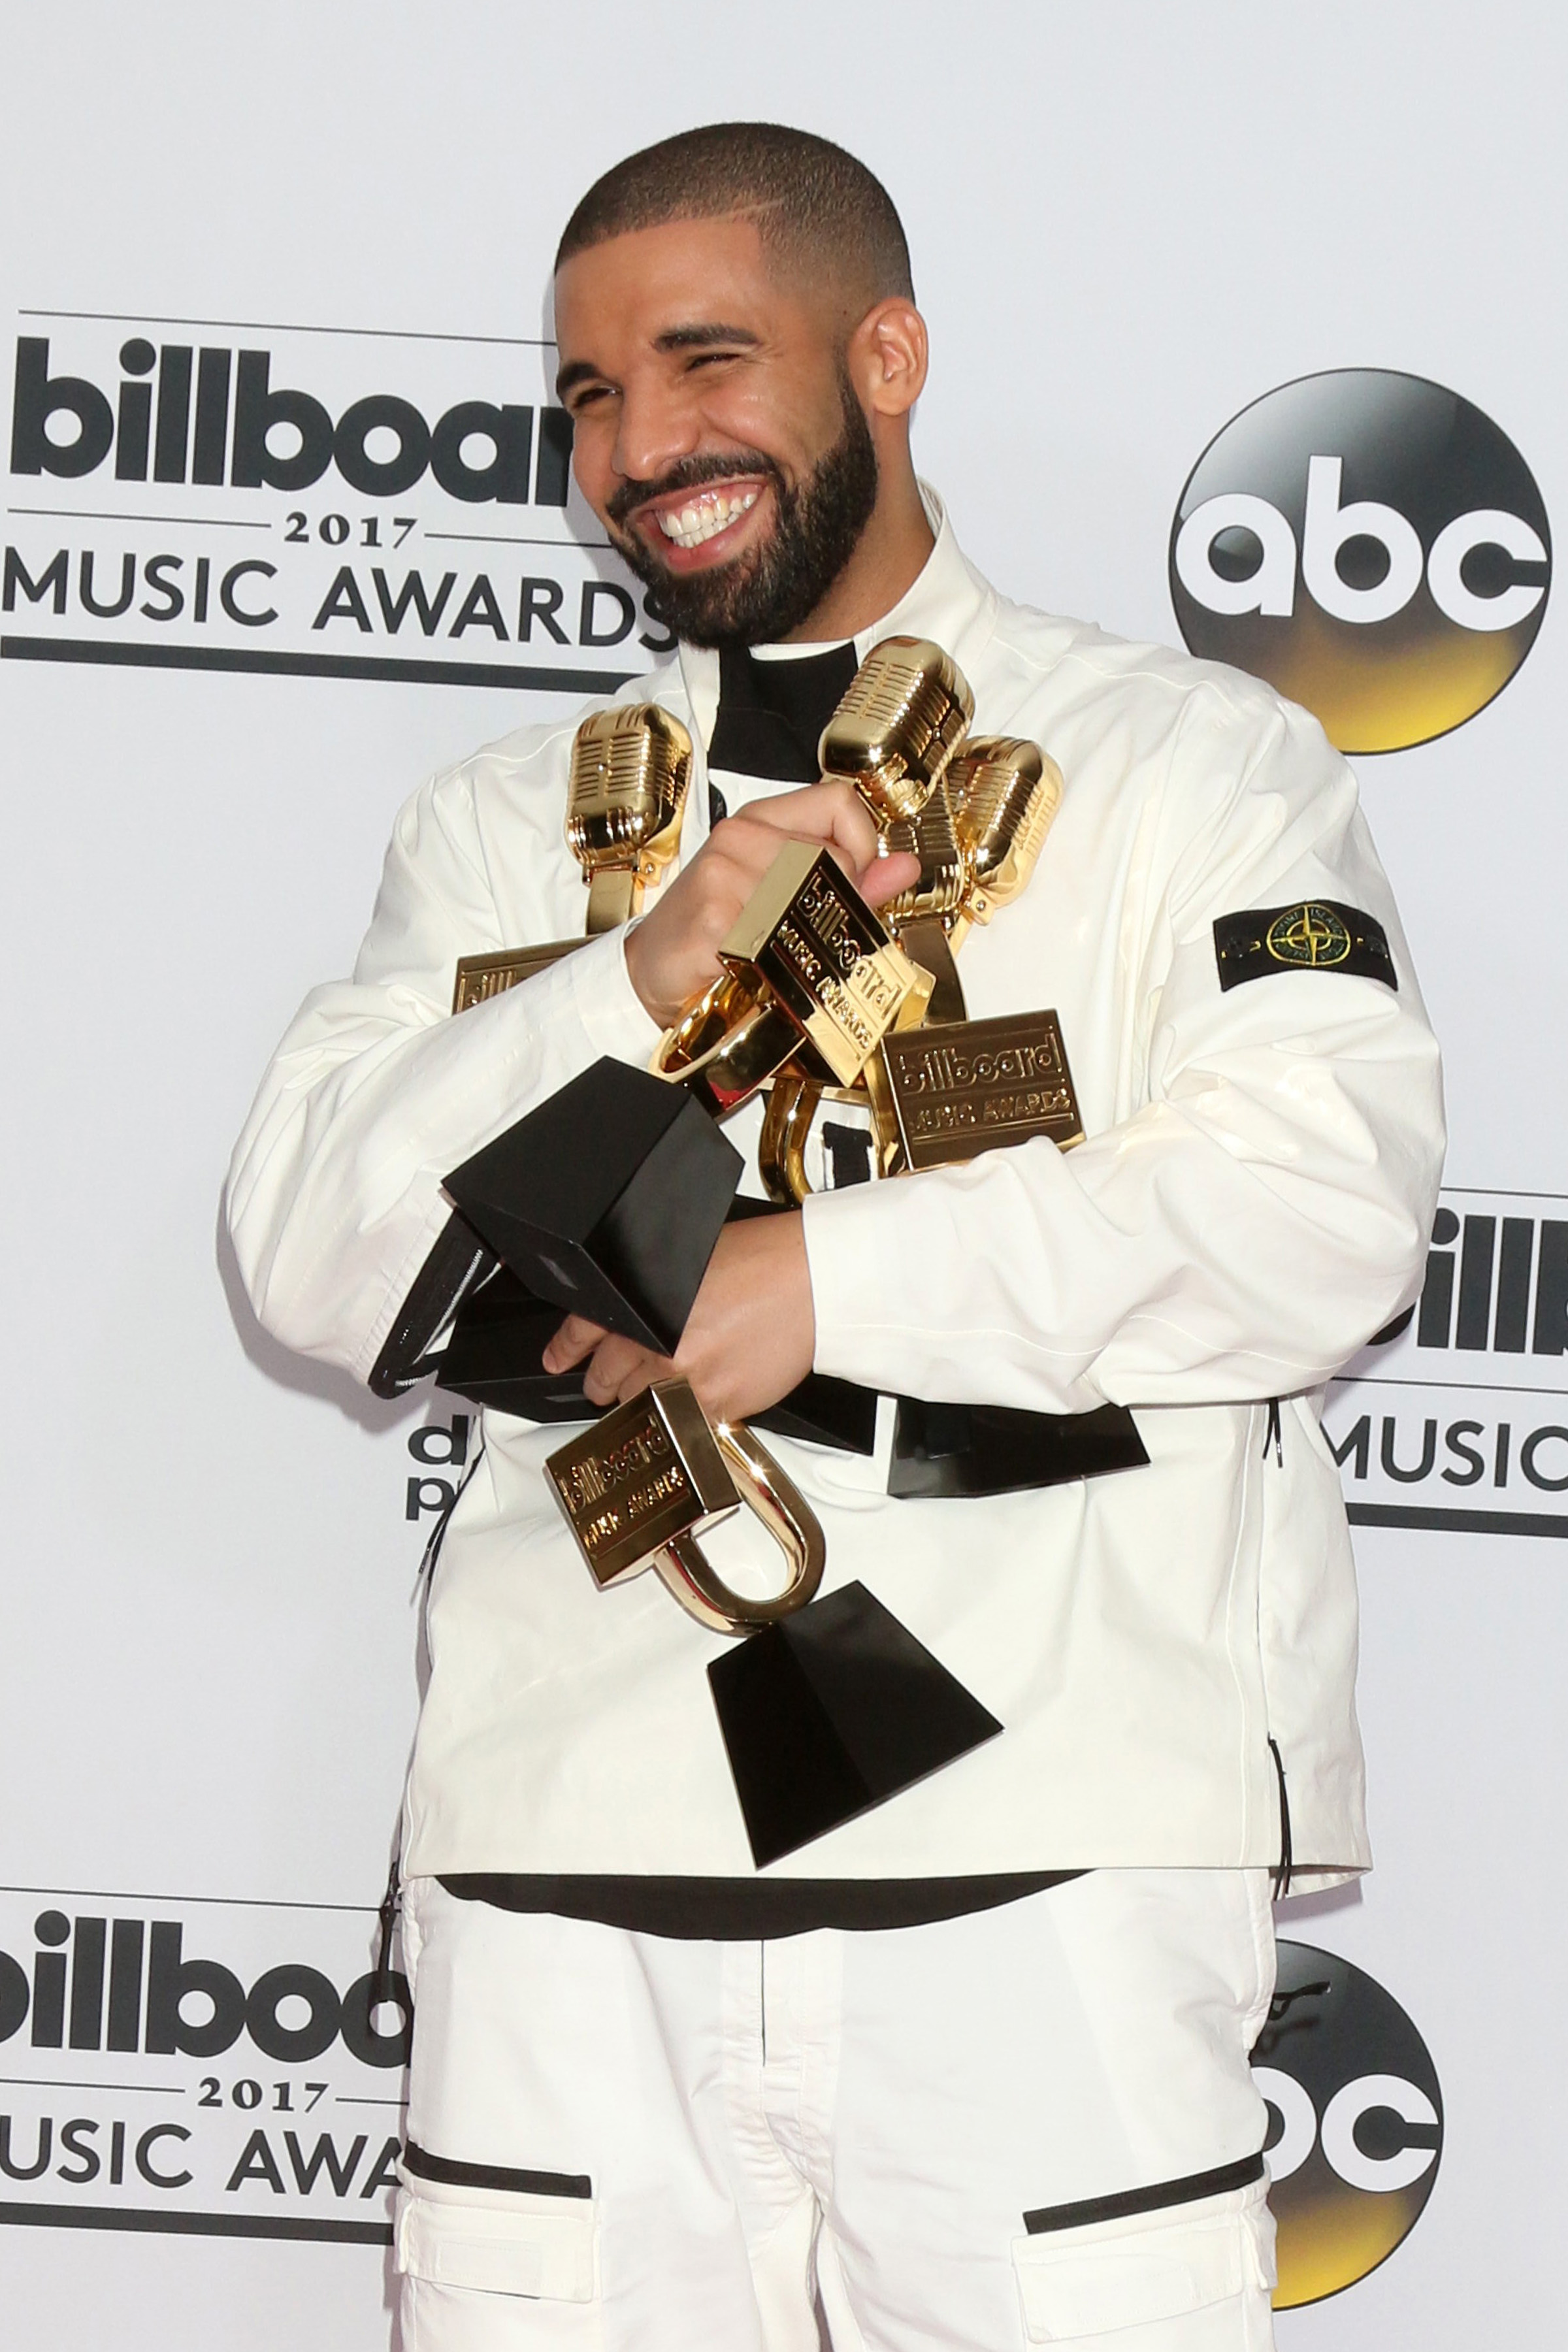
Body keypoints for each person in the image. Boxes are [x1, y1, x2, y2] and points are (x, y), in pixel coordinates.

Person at [226, 122, 1444, 2352]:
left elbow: (1322, 1200)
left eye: (706, 363)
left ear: (885, 354)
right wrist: (638, 978)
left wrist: (826, 1287)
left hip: (1049, 1856)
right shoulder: (508, 827)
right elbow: (307, 1254)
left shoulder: (1196, 767)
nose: (640, 448)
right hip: (566, 1867)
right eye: (590, 392)